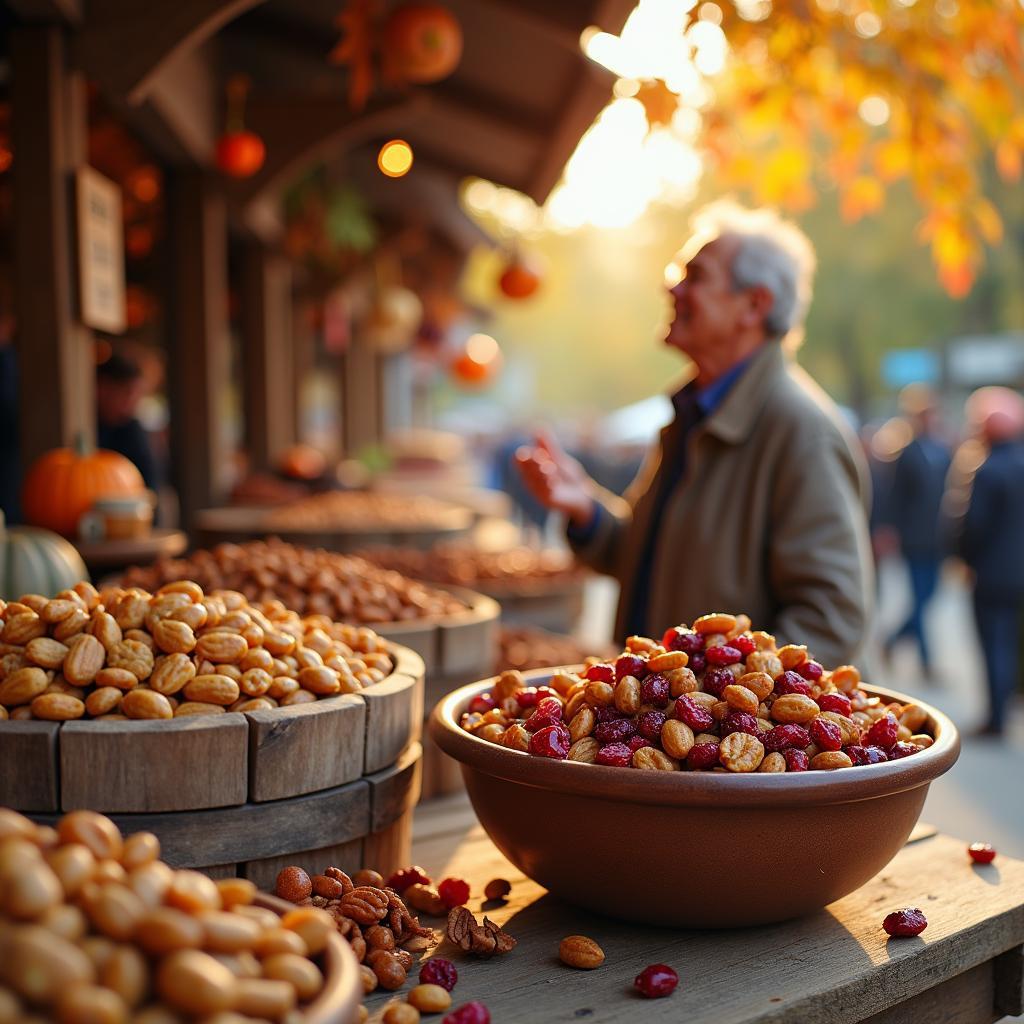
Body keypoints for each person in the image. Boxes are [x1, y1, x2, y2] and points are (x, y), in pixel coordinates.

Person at [516, 202, 873, 667]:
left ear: (754, 305)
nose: (673, 286)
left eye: (696, 275)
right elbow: (651, 560)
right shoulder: (695, 414)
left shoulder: (802, 431)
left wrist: (719, 707)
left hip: (721, 736)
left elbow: (832, 619)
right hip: (670, 729)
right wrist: (585, 508)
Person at [958, 386, 1024, 737]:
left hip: (991, 574)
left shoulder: (987, 469)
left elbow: (974, 526)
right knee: (1012, 641)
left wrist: (963, 558)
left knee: (994, 644)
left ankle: (996, 717)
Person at [882, 384, 952, 678]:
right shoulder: (907, 452)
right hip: (914, 537)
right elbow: (895, 496)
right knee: (921, 597)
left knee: (930, 595)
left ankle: (893, 638)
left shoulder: (942, 448)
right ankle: (926, 661)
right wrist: (889, 530)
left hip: (939, 537)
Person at [96, 352, 161, 491]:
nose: (132, 403)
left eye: (138, 396)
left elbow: (150, 487)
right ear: (102, 388)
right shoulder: (89, 425)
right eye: (127, 393)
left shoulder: (132, 431)